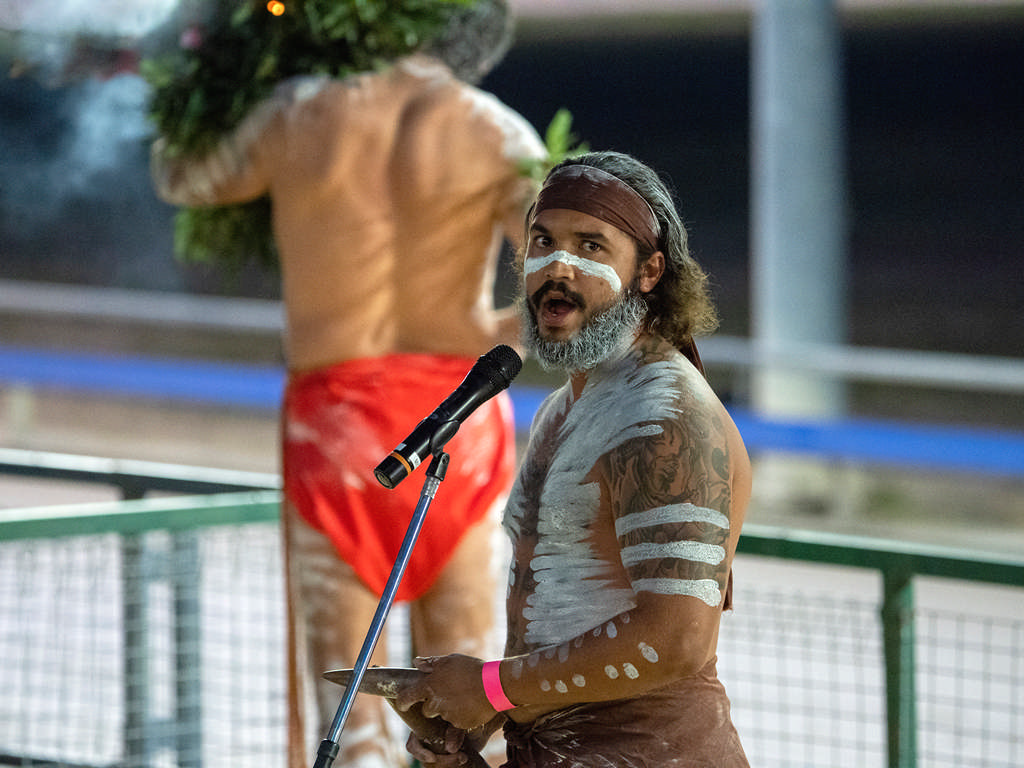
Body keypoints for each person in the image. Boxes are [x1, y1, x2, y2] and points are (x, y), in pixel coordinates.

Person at [149, 2, 547, 766]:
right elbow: (562, 280)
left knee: (350, 712)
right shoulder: (499, 134)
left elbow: (180, 174)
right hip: (458, 429)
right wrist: (494, 333)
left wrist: (197, 73)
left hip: (335, 435)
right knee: (471, 714)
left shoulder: (296, 112)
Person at [394, 150, 751, 767]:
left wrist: (492, 687)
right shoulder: (559, 411)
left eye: (591, 246)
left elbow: (677, 639)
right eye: (543, 241)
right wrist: (483, 718)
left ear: (649, 272)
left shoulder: (667, 415)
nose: (558, 266)